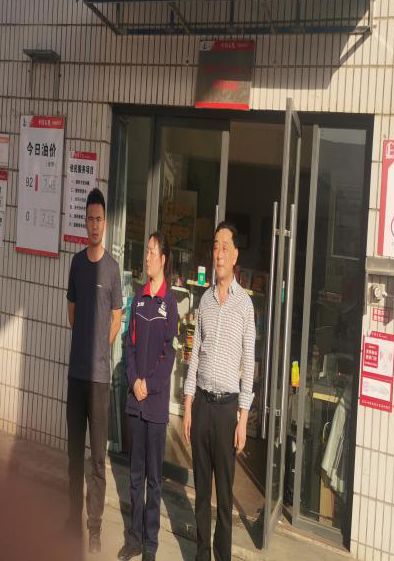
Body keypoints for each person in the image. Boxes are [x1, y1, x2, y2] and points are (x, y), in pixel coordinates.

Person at [183, 221, 255, 561]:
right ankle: (202, 555)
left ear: (235, 255)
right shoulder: (205, 301)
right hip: (202, 405)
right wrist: (187, 404)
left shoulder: (245, 306)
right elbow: (195, 355)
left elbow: (249, 363)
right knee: (201, 494)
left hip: (227, 410)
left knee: (224, 499)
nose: (219, 253)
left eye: (225, 247)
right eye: (215, 246)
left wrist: (243, 419)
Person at [66, 187, 123, 554]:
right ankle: (72, 522)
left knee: (98, 460)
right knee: (74, 456)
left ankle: (95, 527)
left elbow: (117, 318)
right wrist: (86, 345)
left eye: (99, 219)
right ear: (84, 222)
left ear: (105, 222)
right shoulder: (76, 264)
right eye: (89, 219)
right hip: (76, 377)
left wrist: (100, 347)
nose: (94, 224)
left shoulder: (112, 269)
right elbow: (71, 312)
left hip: (100, 380)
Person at [117, 232, 178, 561]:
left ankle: (151, 546)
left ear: (163, 259)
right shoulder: (139, 298)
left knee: (154, 480)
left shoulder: (169, 304)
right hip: (135, 403)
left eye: (153, 252)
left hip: (154, 405)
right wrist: (133, 380)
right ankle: (135, 538)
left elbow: (169, 355)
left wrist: (148, 384)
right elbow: (129, 345)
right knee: (135, 475)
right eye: (147, 251)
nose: (147, 257)